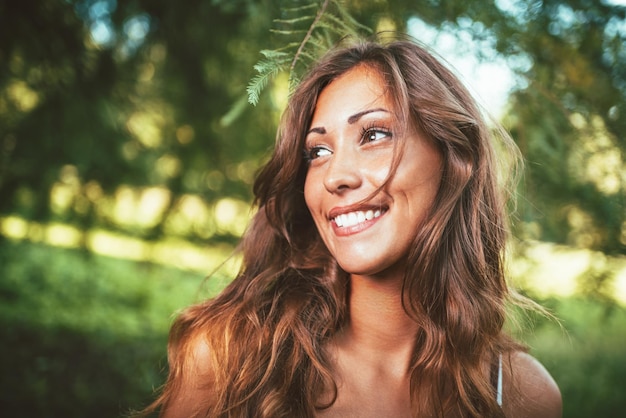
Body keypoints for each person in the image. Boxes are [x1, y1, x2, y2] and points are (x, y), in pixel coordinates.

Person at [140, 37, 562, 417]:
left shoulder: (525, 396)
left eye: (374, 134)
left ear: (453, 160)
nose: (334, 176)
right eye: (318, 151)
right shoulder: (228, 357)